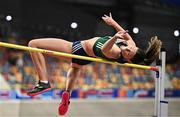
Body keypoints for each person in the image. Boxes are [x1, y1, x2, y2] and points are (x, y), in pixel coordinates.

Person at [27, 13, 162, 115]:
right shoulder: (131, 45)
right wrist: (113, 23)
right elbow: (126, 35)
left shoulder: (115, 52)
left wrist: (114, 37)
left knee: (33, 44)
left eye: (128, 53)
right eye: (130, 48)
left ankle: (43, 82)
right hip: (87, 57)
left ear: (128, 60)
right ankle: (67, 93)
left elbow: (105, 49)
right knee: (75, 67)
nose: (127, 49)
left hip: (78, 48)